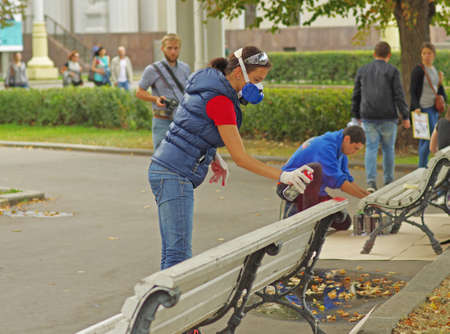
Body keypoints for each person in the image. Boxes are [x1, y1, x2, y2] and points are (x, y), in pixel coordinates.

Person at [148, 46, 313, 273]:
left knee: (174, 252)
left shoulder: (209, 87)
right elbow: (242, 158)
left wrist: (212, 154)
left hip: (167, 169)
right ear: (238, 74)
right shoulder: (222, 102)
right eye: (255, 79)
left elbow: (192, 124)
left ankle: (167, 305)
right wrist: (285, 175)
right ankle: (168, 306)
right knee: (178, 256)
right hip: (173, 173)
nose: (258, 87)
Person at [278, 126, 370, 230]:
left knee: (343, 221)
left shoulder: (341, 150)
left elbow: (347, 180)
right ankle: (296, 219)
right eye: (355, 148)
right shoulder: (326, 147)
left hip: (313, 191)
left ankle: (315, 224)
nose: (355, 152)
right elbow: (340, 183)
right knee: (296, 229)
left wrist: (369, 196)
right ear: (347, 139)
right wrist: (366, 200)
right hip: (293, 188)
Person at [351, 41, 410, 193]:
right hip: (388, 117)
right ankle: (389, 181)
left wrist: (355, 115)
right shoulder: (392, 71)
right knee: (388, 149)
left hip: (368, 116)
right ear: (389, 55)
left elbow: (356, 95)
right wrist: (405, 116)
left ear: (374, 54)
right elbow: (399, 95)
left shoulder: (363, 70)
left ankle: (371, 182)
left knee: (370, 148)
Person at [136, 34, 191, 151]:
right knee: (161, 157)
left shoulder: (185, 68)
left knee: (181, 157)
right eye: (169, 48)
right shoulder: (152, 69)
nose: (173, 52)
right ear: (162, 49)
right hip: (162, 121)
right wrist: (155, 99)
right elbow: (140, 92)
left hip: (182, 121)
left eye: (176, 48)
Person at [410, 42, 447, 167]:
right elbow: (413, 90)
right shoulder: (418, 70)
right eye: (424, 53)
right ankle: (422, 167)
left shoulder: (435, 70)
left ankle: (424, 166)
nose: (426, 56)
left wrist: (441, 83)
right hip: (423, 109)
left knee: (427, 139)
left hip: (434, 108)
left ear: (434, 55)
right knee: (427, 139)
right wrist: (416, 107)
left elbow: (439, 92)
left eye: (429, 53)